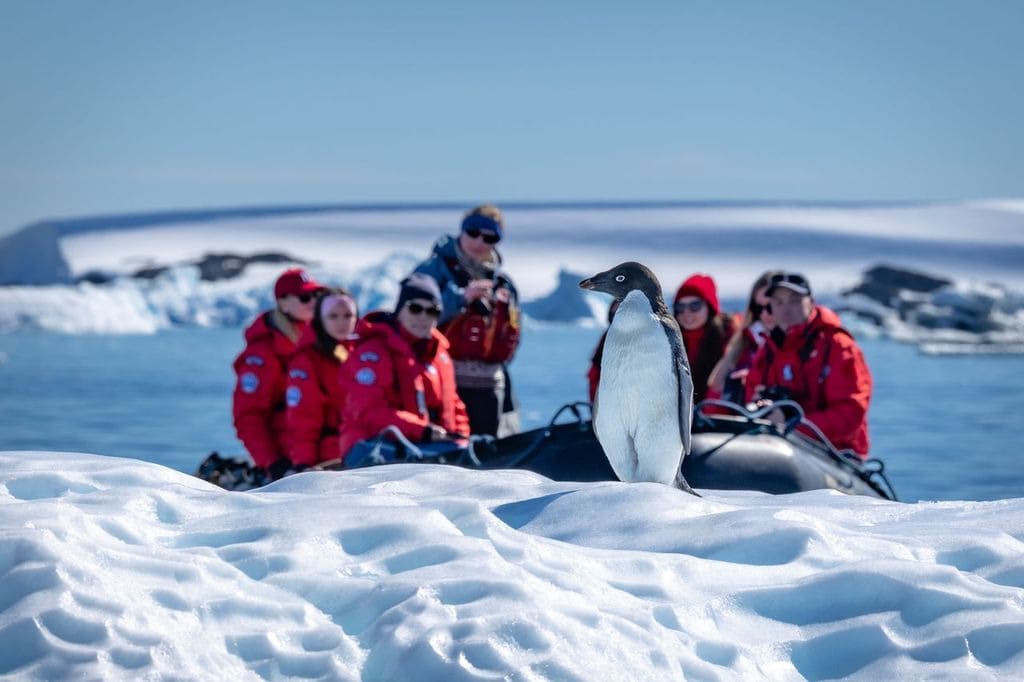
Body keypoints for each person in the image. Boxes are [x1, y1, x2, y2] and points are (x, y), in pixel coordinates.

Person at [414, 204, 521, 437]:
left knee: (492, 457)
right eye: (473, 232)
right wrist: (460, 298)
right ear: (461, 230)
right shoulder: (431, 271)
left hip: (491, 386)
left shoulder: (503, 284)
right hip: (440, 381)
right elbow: (410, 319)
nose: (479, 241)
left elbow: (512, 335)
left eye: (490, 237)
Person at [337, 273, 470, 460]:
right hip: (373, 445)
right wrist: (422, 431)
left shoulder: (439, 355)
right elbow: (368, 411)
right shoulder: (373, 352)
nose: (423, 317)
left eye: (432, 311)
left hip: (428, 447)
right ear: (399, 309)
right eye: (415, 308)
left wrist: (461, 439)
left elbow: (454, 407)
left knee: (474, 456)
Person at [745, 272, 873, 458]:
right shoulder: (769, 350)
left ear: (811, 302)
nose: (786, 308)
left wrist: (791, 421)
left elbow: (850, 415)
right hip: (780, 450)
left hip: (835, 455)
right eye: (778, 302)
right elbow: (752, 395)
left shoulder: (838, 347)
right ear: (770, 307)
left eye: (794, 300)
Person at [232, 267, 323, 479]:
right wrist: (274, 464)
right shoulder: (263, 353)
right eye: (305, 297)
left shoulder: (320, 340)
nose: (313, 302)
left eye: (317, 296)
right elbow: (248, 415)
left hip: (319, 454)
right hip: (289, 460)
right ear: (282, 303)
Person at [284, 288, 359, 468]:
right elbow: (303, 420)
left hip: (362, 451)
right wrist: (303, 465)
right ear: (320, 320)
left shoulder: (360, 352)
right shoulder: (307, 360)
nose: (341, 322)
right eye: (333, 316)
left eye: (348, 315)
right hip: (330, 459)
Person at [708, 270, 783, 404]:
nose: (765, 314)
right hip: (742, 422)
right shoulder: (742, 344)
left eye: (771, 307)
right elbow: (715, 397)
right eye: (758, 308)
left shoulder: (804, 346)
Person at [672, 273, 735, 404]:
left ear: (710, 307)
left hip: (717, 417)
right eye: (680, 307)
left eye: (695, 306)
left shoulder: (730, 338)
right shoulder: (669, 340)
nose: (687, 313)